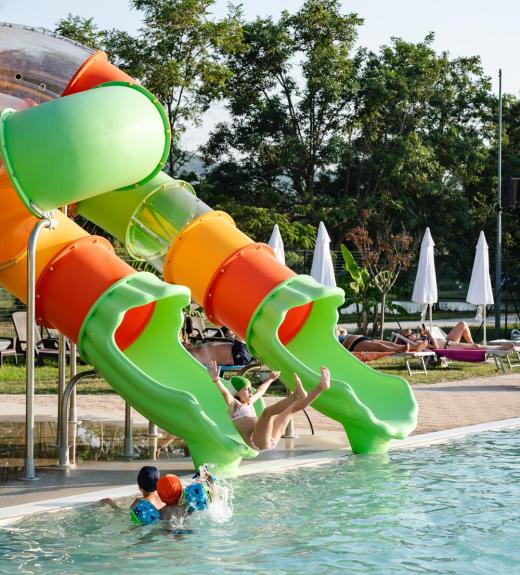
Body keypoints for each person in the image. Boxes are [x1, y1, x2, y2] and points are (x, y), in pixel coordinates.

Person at [208, 360, 330, 452]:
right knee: (268, 412)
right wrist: (216, 380)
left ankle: (321, 387)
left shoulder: (249, 402)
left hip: (269, 438)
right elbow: (225, 393)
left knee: (293, 409)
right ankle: (296, 395)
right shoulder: (234, 406)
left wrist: (270, 379)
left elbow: (260, 391)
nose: (251, 392)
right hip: (256, 441)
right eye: (247, 389)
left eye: (251, 389)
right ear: (236, 392)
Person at [403, 322, 516, 351]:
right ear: (408, 338)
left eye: (413, 332)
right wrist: (429, 334)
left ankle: (472, 345)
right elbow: (436, 347)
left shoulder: (419, 338)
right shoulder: (417, 343)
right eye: (411, 334)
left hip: (447, 340)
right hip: (448, 346)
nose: (413, 334)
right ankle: (500, 348)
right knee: (476, 346)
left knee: (463, 324)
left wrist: (424, 334)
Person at [342, 331, 428, 353]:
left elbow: (344, 331)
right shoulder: (331, 336)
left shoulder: (335, 329)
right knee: (380, 347)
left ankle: (414, 348)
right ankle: (402, 349)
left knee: (390, 344)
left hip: (362, 338)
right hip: (353, 344)